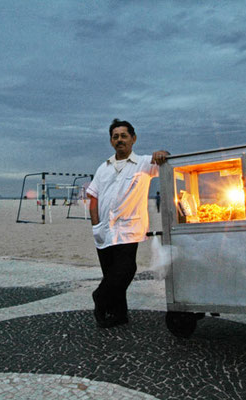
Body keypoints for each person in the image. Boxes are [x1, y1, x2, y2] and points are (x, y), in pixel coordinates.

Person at [87, 119, 169, 328]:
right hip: (104, 230)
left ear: (133, 138)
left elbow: (166, 163)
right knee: (110, 273)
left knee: (126, 269)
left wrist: (163, 153)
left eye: (124, 136)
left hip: (128, 228)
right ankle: (119, 314)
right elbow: (94, 197)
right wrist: (95, 224)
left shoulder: (143, 163)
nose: (119, 140)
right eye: (115, 137)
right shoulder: (103, 167)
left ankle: (99, 297)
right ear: (111, 141)